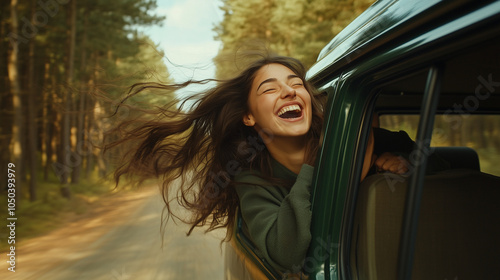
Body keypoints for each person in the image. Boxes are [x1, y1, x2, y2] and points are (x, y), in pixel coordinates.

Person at [105, 54, 410, 273]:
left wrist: (403, 167)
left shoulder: (356, 138)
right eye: (270, 88)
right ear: (249, 117)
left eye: (295, 84)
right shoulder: (251, 178)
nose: (289, 90)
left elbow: (441, 166)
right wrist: (313, 168)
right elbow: (285, 255)